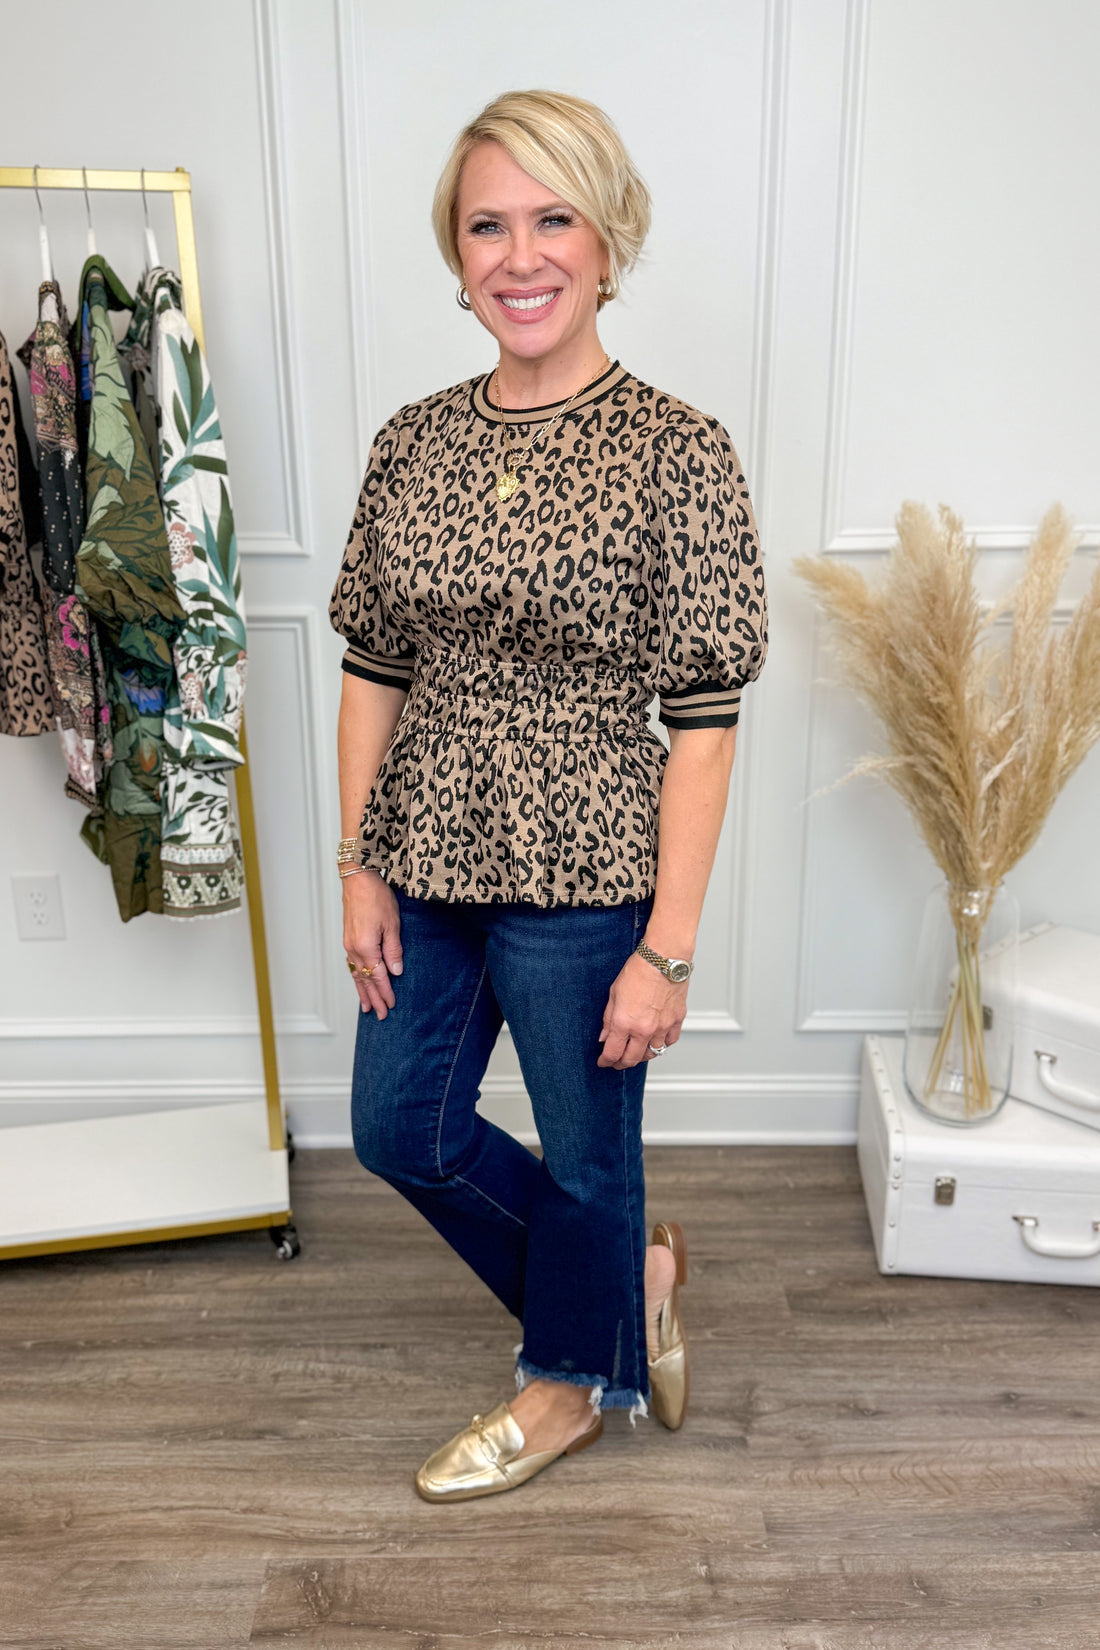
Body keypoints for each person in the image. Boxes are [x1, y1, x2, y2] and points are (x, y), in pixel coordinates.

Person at [329, 88, 768, 1503]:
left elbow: (703, 722)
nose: (521, 257)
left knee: (588, 1156)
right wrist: (356, 861)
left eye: (552, 219)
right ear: (457, 259)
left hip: (589, 867)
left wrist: (669, 946)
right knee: (401, 1128)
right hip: (426, 843)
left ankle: (566, 1385)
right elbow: (374, 670)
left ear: (606, 237)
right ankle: (626, 1284)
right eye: (488, 226)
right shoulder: (413, 440)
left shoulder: (677, 449)